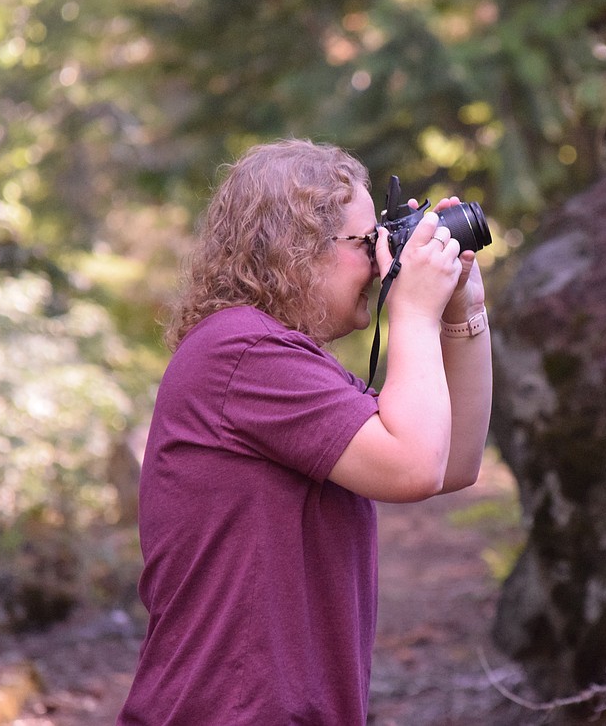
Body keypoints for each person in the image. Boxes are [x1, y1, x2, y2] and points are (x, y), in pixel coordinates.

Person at [117, 139, 492, 725]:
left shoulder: (283, 363)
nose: (380, 261)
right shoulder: (242, 354)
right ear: (294, 250)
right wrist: (413, 309)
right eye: (368, 243)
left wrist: (463, 309)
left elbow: (455, 463)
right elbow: (414, 467)